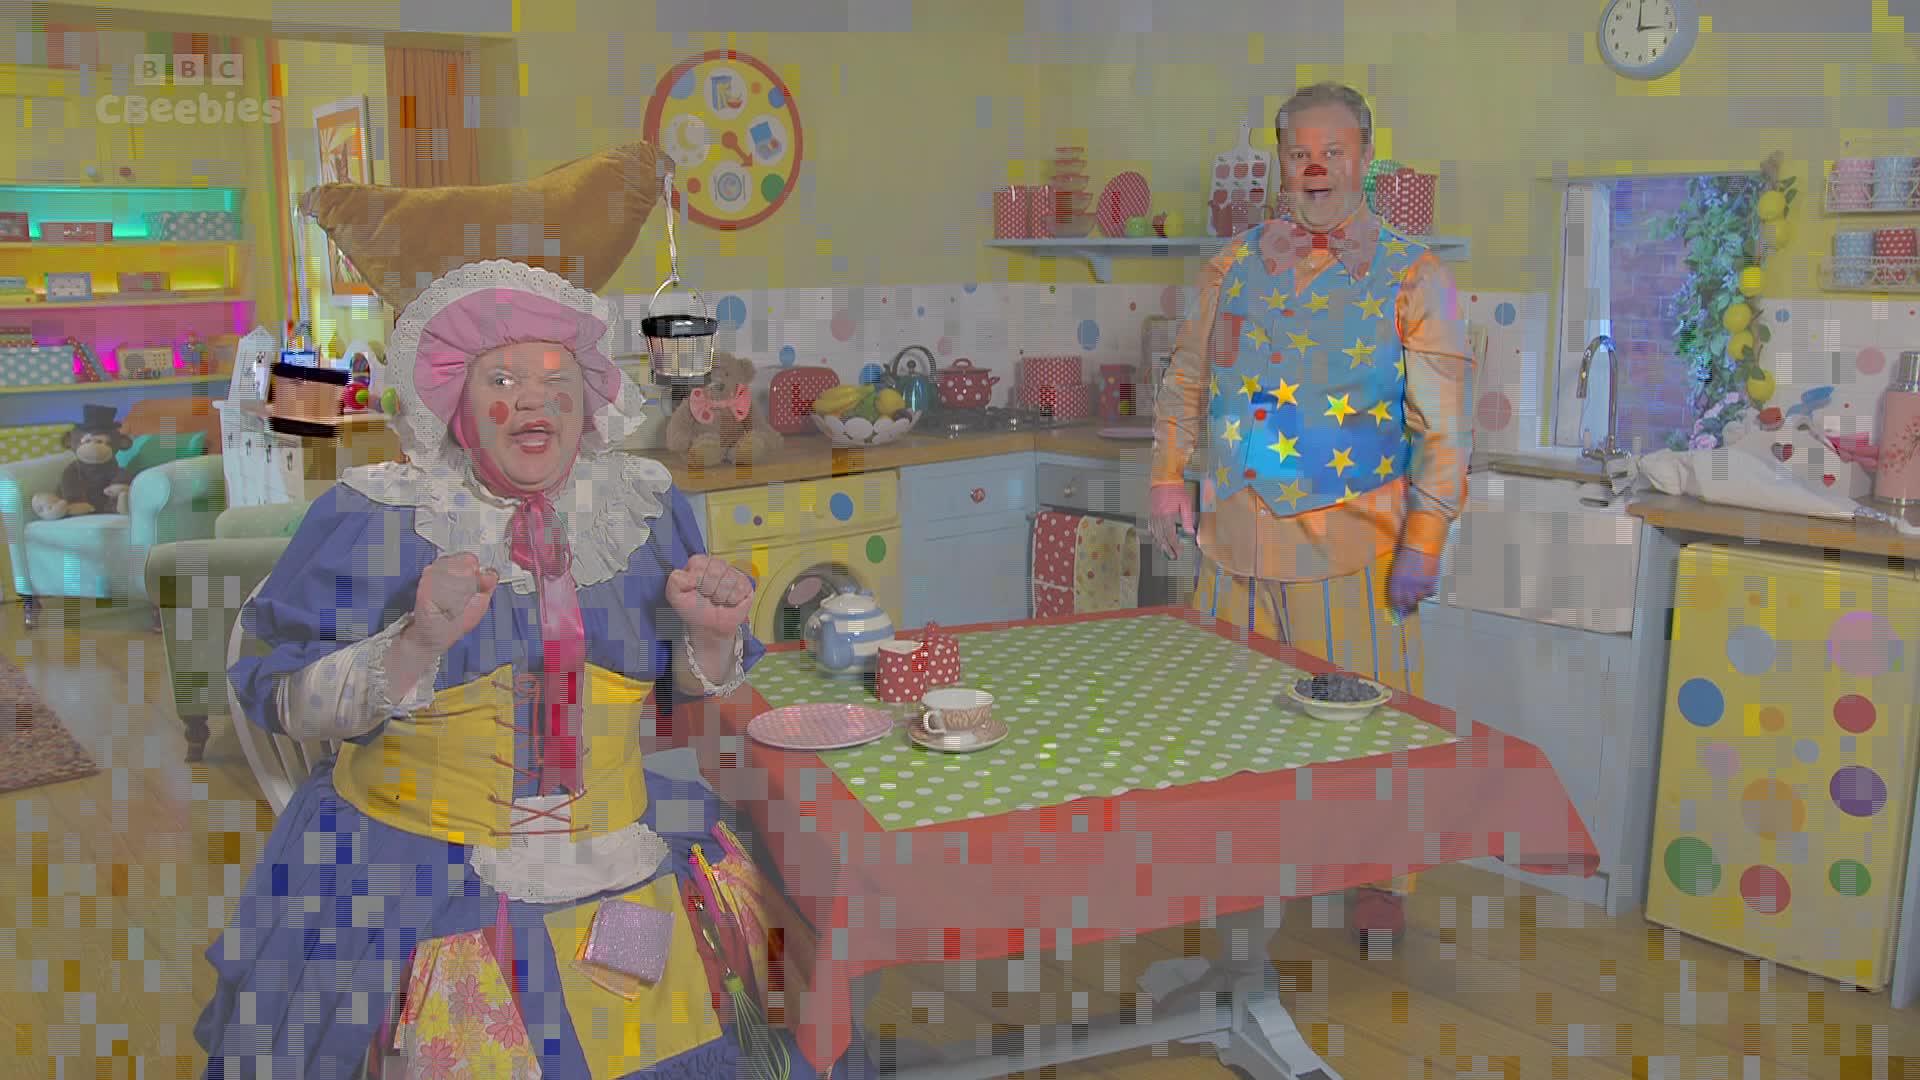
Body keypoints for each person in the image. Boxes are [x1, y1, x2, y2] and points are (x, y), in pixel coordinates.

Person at [195, 259, 831, 1078]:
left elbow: (680, 685)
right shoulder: (378, 518)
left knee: (665, 1029)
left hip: (620, 844)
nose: (534, 400)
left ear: (588, 401)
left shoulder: (639, 507)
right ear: (455, 405)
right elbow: (280, 696)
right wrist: (415, 642)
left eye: (557, 381)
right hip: (414, 866)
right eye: (502, 380)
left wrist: (709, 638)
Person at [1148, 83, 1472, 944]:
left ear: (1366, 159)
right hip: (1234, 534)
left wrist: (1428, 536)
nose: (1317, 166)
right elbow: (1188, 378)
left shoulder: (1416, 274)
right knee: (1230, 721)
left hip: (1352, 543)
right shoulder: (1232, 264)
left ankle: (1380, 882)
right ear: (1281, 164)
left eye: (1334, 151)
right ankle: (1242, 874)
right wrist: (1168, 476)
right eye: (1300, 152)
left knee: (1370, 726)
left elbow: (1445, 424)